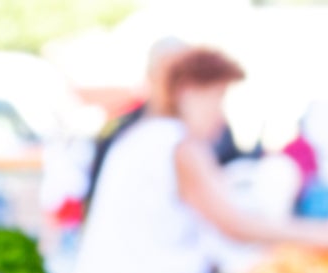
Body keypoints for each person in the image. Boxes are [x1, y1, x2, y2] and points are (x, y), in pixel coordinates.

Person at [71, 47, 328, 273]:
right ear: (187, 92)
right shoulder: (179, 146)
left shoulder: (142, 135)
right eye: (217, 98)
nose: (221, 115)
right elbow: (235, 225)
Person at [84, 37, 242, 211]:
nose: (175, 85)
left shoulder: (209, 127)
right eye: (170, 75)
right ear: (151, 78)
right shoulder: (128, 132)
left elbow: (233, 167)